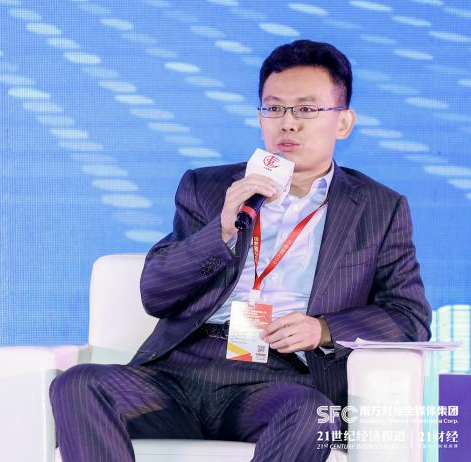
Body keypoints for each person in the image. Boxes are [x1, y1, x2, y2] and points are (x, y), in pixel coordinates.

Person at [50, 39, 431, 462]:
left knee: (313, 416)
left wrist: (322, 329)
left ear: (343, 122)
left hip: (279, 379)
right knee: (78, 384)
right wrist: (219, 231)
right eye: (274, 108)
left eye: (306, 109)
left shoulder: (379, 207)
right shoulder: (209, 187)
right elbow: (156, 294)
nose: (288, 123)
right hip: (181, 369)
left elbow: (409, 316)